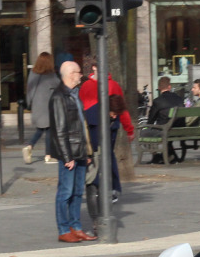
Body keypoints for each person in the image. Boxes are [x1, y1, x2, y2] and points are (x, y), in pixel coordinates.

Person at [48, 59, 95, 243]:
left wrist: (87, 152)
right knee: (65, 192)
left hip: (80, 151)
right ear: (69, 75)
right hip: (70, 153)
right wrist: (67, 157)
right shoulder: (59, 97)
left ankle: (76, 227)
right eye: (78, 72)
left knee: (77, 192)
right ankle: (63, 229)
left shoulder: (75, 94)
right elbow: (59, 130)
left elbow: (81, 126)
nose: (80, 75)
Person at [79, 55, 132, 199]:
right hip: (94, 125)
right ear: (94, 68)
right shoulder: (87, 86)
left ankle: (110, 187)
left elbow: (122, 107)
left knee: (106, 154)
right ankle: (100, 186)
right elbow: (81, 108)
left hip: (109, 125)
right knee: (98, 155)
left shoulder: (112, 85)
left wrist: (129, 128)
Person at [23, 52, 60, 164]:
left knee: (41, 129)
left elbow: (29, 90)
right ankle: (48, 155)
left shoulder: (33, 73)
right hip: (47, 106)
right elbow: (58, 85)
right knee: (49, 129)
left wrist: (29, 103)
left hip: (37, 106)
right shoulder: (51, 75)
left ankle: (29, 147)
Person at [141, 75, 186, 164]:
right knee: (165, 134)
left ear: (159, 88)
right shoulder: (179, 99)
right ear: (169, 87)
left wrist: (146, 127)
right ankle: (170, 155)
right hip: (179, 129)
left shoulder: (157, 101)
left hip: (164, 130)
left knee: (143, 133)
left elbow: (150, 120)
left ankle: (156, 155)